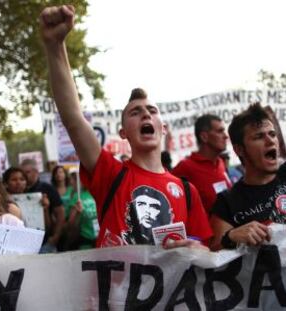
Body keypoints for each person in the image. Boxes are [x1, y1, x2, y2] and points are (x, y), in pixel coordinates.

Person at [40, 5, 212, 249]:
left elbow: (204, 249)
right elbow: (73, 119)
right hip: (113, 288)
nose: (145, 114)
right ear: (124, 133)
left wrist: (196, 248)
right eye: (135, 112)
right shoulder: (111, 173)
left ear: (162, 128)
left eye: (152, 111)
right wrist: (55, 46)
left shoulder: (186, 191)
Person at [210, 103, 285, 250]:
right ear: (239, 149)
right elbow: (214, 254)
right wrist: (230, 237)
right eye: (259, 136)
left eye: (272, 134)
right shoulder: (227, 202)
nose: (270, 141)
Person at [172, 114, 232, 214]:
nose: (226, 136)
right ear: (204, 137)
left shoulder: (221, 163)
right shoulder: (185, 167)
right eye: (220, 131)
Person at [21, 158, 65, 253]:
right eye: (22, 173)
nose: (24, 176)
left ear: (36, 172)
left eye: (27, 172)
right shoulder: (19, 191)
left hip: (46, 242)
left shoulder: (48, 188)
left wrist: (55, 237)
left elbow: (60, 213)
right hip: (26, 243)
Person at [64, 171, 98, 250]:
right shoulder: (77, 197)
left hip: (100, 238)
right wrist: (77, 214)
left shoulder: (96, 193)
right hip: (85, 240)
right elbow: (70, 225)